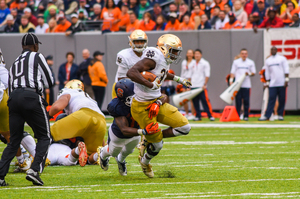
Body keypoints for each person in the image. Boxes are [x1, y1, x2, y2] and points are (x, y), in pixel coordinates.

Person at [127, 34, 192, 178]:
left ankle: (148, 141)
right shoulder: (153, 57)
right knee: (157, 145)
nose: (175, 55)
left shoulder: (163, 59)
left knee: (185, 127)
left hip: (157, 101)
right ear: (164, 48)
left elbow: (161, 73)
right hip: (142, 106)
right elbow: (131, 72)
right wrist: (150, 84)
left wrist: (178, 79)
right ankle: (146, 161)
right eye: (173, 51)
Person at [0, 33, 54, 186]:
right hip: (31, 96)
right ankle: (34, 170)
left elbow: (10, 86)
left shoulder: (15, 61)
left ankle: (0, 175)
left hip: (13, 99)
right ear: (35, 46)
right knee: (44, 136)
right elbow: (49, 81)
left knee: (14, 140)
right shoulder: (37, 56)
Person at [100, 79, 162, 176]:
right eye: (131, 97)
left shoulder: (141, 96)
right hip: (119, 133)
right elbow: (124, 130)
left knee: (129, 150)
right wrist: (144, 131)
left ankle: (121, 161)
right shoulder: (116, 106)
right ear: (122, 98)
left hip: (136, 132)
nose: (135, 99)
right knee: (113, 152)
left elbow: (163, 97)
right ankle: (102, 154)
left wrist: (158, 103)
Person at [49, 80, 106, 165]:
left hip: (83, 115)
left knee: (46, 134)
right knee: (91, 155)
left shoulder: (68, 92)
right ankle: (97, 156)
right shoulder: (89, 98)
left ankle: (35, 155)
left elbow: (57, 107)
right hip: (101, 121)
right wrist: (103, 147)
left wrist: (47, 115)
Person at [112, 29, 148, 99]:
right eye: (137, 42)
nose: (140, 44)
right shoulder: (124, 55)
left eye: (142, 41)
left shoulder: (148, 53)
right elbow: (121, 79)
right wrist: (143, 79)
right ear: (131, 42)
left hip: (140, 87)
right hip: (123, 86)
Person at [259, 47, 289, 121]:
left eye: (274, 50)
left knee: (282, 99)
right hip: (272, 83)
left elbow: (286, 69)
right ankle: (267, 115)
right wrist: (268, 81)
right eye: (272, 50)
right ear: (270, 51)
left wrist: (286, 80)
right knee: (271, 99)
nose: (273, 51)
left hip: (281, 83)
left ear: (277, 50)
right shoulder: (268, 60)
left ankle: (280, 114)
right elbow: (267, 72)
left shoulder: (282, 58)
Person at [229, 49, 256, 121]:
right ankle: (238, 115)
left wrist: (249, 73)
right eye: (242, 53)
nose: (244, 55)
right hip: (238, 85)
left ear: (247, 54)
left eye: (245, 54)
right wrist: (231, 80)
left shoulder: (250, 62)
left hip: (246, 85)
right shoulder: (236, 62)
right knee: (238, 101)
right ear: (240, 54)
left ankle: (246, 115)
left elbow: (254, 72)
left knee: (246, 101)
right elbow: (232, 72)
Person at [190, 49, 214, 121]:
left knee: (205, 101)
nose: (197, 55)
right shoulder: (192, 63)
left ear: (201, 55)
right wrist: (189, 85)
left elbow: (207, 74)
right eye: (195, 54)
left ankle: (210, 115)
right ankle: (198, 116)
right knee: (195, 102)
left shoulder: (205, 63)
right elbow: (190, 75)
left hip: (201, 86)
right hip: (193, 85)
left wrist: (204, 84)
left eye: (198, 54)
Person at [180, 49, 196, 120]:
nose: (189, 55)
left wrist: (190, 83)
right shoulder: (184, 62)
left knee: (191, 99)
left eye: (191, 53)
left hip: (191, 82)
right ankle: (186, 113)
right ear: (186, 54)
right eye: (188, 53)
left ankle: (192, 114)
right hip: (184, 81)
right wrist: (180, 81)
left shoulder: (194, 62)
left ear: (193, 55)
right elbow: (182, 72)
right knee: (184, 98)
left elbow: (194, 73)